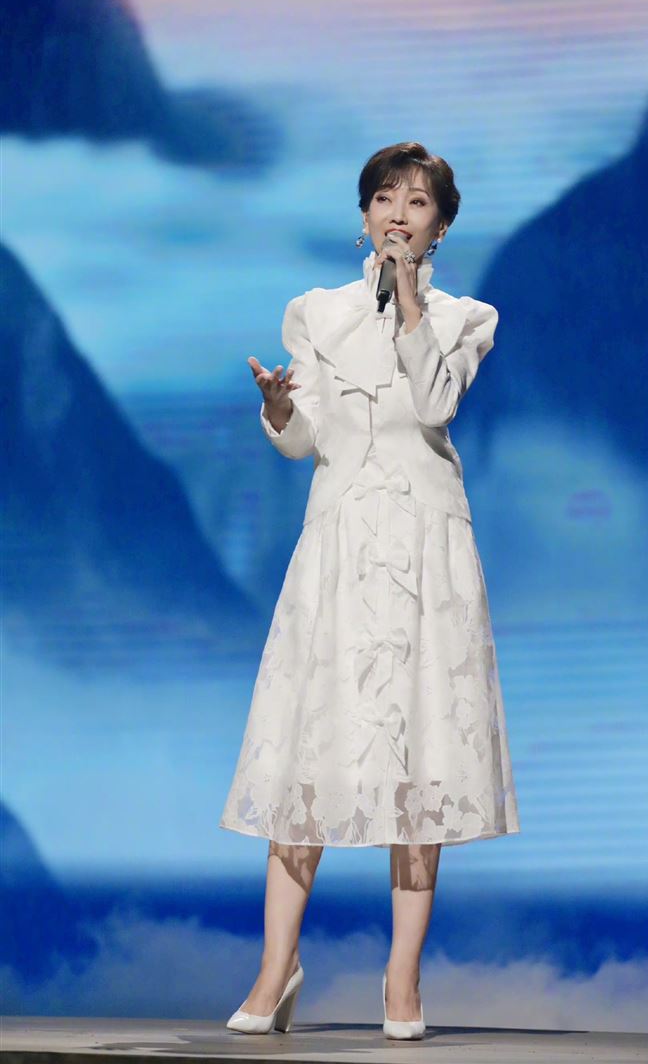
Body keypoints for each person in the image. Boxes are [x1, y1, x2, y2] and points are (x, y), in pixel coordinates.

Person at [219, 141, 520, 1040]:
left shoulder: (466, 318)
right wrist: (279, 407)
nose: (398, 213)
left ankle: (402, 980)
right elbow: (306, 438)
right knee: (309, 755)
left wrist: (413, 302)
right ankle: (277, 968)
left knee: (419, 759)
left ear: (440, 227)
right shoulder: (318, 312)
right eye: (385, 198)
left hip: (427, 553)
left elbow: (433, 405)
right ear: (363, 216)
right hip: (341, 546)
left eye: (417, 203)